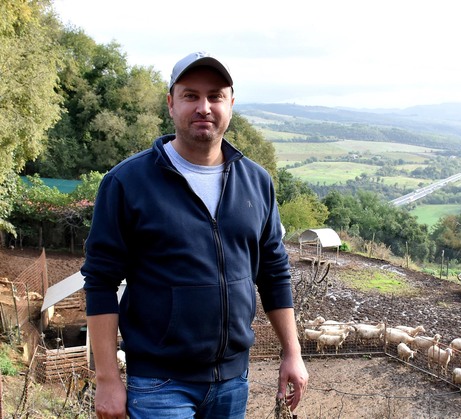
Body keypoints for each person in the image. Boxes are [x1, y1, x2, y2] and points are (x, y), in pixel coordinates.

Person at [82, 51, 308, 418]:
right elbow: (100, 281)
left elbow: (273, 270)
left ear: (230, 105)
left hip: (233, 383)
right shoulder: (126, 182)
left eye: (215, 96)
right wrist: (107, 378)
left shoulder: (257, 182)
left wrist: (292, 352)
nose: (204, 107)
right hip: (159, 385)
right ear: (171, 103)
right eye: (191, 96)